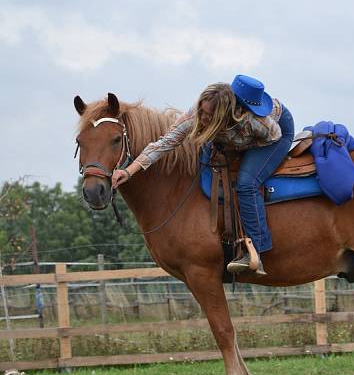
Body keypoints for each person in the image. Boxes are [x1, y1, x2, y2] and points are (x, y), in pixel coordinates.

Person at [112, 75, 295, 276]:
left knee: (246, 183)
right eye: (201, 110)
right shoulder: (196, 115)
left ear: (222, 116)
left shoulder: (254, 122)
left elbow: (273, 136)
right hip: (232, 130)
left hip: (275, 135)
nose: (202, 117)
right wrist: (129, 171)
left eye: (208, 115)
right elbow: (165, 143)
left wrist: (238, 147)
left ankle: (256, 251)